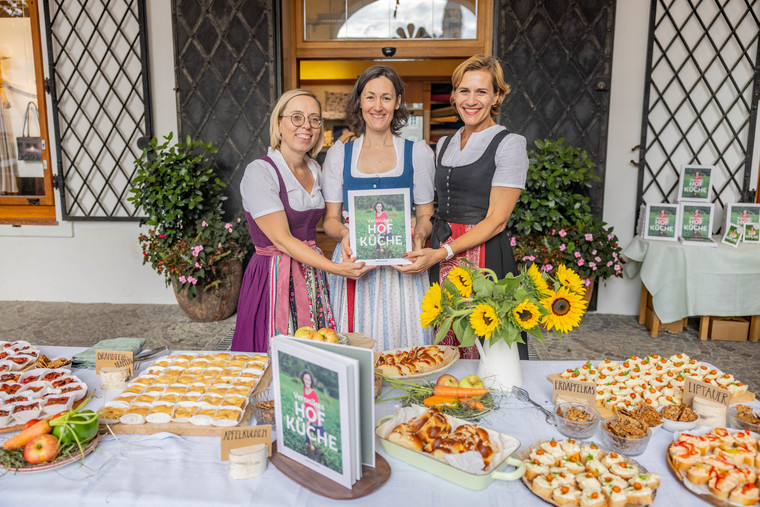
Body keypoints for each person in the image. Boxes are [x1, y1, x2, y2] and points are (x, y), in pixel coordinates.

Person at [399, 55, 529, 360]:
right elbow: (436, 208)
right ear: (454, 95)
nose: (471, 100)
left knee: (485, 339)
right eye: (464, 91)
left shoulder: (510, 143)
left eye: (481, 92)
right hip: (440, 248)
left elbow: (497, 221)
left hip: (482, 253)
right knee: (443, 336)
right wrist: (421, 234)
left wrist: (443, 252)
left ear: (496, 96)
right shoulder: (444, 142)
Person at [231, 89, 372, 353]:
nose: (306, 126)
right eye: (297, 117)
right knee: (271, 352)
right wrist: (336, 268)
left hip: (310, 274)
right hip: (272, 276)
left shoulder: (315, 169)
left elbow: (332, 220)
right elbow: (282, 241)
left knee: (315, 350)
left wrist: (347, 234)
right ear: (279, 123)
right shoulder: (260, 172)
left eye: (314, 119)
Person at [322, 65, 436, 351]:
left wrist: (419, 235)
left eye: (386, 98)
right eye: (370, 97)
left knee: (408, 349)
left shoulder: (417, 152)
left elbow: (425, 214)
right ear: (360, 101)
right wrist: (345, 236)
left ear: (397, 102)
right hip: (356, 263)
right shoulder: (339, 154)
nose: (378, 106)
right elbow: (331, 220)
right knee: (356, 347)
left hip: (403, 265)